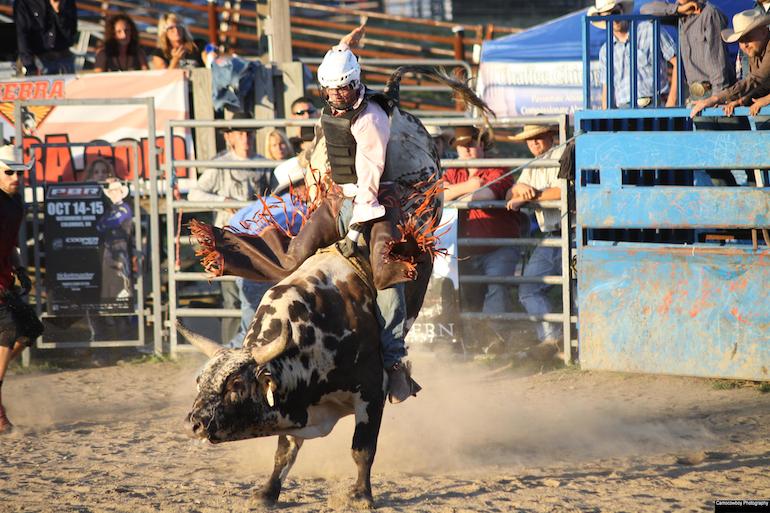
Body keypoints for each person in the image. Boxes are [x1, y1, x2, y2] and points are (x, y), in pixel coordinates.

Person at [187, 114, 270, 344]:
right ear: (229, 137)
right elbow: (195, 193)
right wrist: (223, 200)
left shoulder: (262, 163)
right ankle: (231, 348)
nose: (246, 138)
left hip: (256, 241)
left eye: (249, 133)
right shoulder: (221, 164)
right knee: (232, 298)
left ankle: (252, 344)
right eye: (241, 133)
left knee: (257, 297)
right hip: (228, 241)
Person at [443, 126, 526, 346]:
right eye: (462, 145)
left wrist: (454, 192)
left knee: (495, 288)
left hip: (499, 245)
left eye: (471, 144)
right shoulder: (454, 170)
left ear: (482, 145)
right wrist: (470, 185)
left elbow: (484, 195)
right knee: (468, 293)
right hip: (465, 247)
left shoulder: (498, 167)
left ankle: (495, 341)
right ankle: (473, 342)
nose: (466, 150)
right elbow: (437, 195)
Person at [225, 160, 307, 348]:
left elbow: (230, 228)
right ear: (299, 187)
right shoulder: (299, 210)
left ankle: (213, 370)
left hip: (243, 270)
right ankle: (215, 371)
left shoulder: (258, 206)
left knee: (250, 330)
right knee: (258, 333)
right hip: (265, 273)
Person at [505, 124, 565, 360]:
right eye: (530, 139)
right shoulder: (533, 164)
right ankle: (553, 340)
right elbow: (511, 194)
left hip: (573, 230)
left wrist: (530, 196)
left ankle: (581, 343)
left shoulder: (563, 153)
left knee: (580, 291)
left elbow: (564, 190)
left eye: (539, 137)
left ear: (551, 136)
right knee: (528, 288)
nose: (534, 143)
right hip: (552, 234)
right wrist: (518, 188)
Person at [0, 145, 39, 433]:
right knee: (8, 330)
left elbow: (11, 243)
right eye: (9, 172)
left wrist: (20, 268)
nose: (15, 177)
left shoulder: (15, 204)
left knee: (29, 329)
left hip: (3, 278)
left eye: (19, 172)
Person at [589, 0, 679, 108]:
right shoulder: (605, 51)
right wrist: (607, 118)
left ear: (622, 11)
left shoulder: (650, 29)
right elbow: (607, 90)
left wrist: (671, 102)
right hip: (624, 111)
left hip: (655, 105)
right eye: (607, 16)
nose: (613, 19)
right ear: (603, 19)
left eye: (615, 13)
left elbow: (678, 62)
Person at [641, 0, 734, 101]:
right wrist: (678, 9)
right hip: (697, 95)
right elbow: (645, 11)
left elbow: (718, 59)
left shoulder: (709, 13)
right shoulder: (680, 13)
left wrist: (717, 97)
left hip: (715, 92)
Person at [690, 10, 770, 117]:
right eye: (741, 41)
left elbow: (756, 79)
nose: (745, 45)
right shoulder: (755, 49)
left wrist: (715, 99)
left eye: (749, 38)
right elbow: (762, 83)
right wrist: (742, 100)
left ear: (764, 32)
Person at [13, 0, 78, 76]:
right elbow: (21, 34)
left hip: (65, 58)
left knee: (71, 87)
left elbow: (71, 33)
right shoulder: (24, 3)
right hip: (40, 62)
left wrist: (58, 10)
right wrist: (29, 65)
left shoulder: (66, 2)